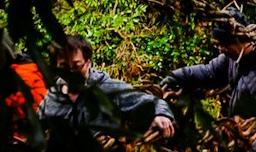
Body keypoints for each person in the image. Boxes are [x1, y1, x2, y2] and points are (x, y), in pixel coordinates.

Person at [165, 9, 256, 152]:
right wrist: (173, 77)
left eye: (224, 45)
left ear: (241, 40)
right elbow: (208, 72)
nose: (221, 50)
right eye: (219, 45)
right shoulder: (235, 59)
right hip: (247, 147)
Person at [39, 36, 172, 142]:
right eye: (64, 67)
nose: (71, 72)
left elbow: (153, 102)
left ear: (88, 62)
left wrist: (161, 115)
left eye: (76, 66)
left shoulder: (110, 89)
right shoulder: (52, 96)